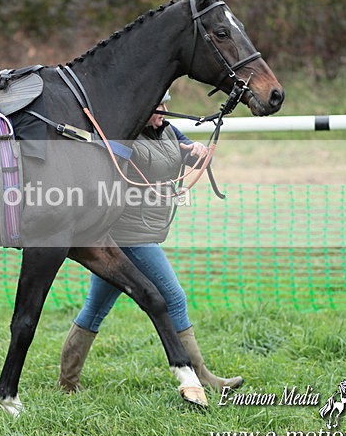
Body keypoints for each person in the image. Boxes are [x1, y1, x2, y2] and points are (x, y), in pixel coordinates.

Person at [58, 90, 243, 393]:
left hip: (144, 229)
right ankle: (202, 378)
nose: (164, 111)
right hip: (128, 234)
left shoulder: (168, 130)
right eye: (157, 106)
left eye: (166, 105)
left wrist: (195, 151)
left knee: (96, 306)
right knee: (174, 298)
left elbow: (183, 150)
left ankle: (67, 383)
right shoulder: (125, 137)